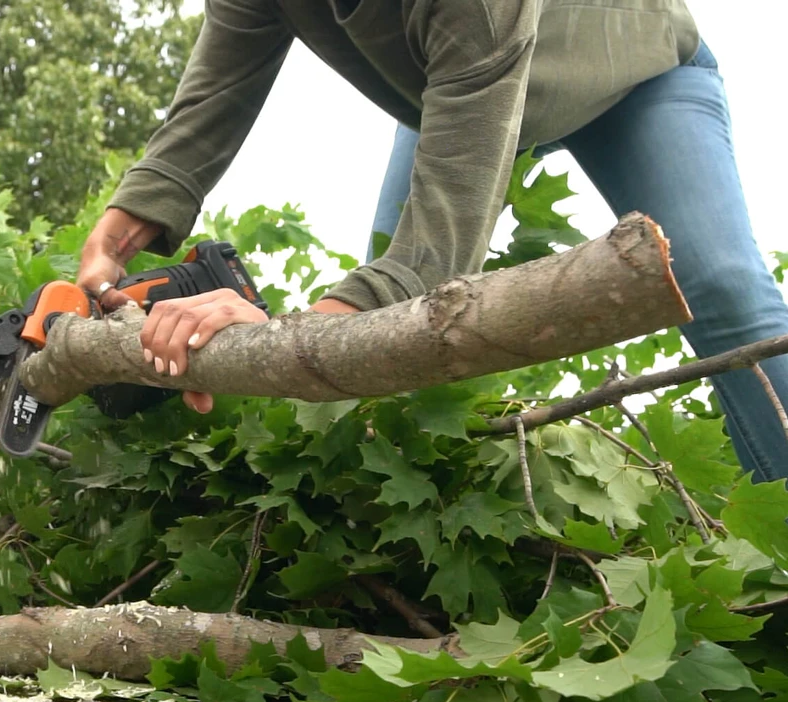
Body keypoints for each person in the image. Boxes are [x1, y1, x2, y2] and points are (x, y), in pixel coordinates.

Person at [75, 1, 785, 475]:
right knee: (386, 345)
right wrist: (122, 228)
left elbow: (431, 253)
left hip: (634, 72)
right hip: (454, 91)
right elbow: (214, 94)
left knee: (721, 285)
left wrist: (288, 337)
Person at [365, 41, 788, 483]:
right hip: (462, 75)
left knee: (725, 286)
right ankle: (381, 503)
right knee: (393, 309)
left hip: (637, 52)